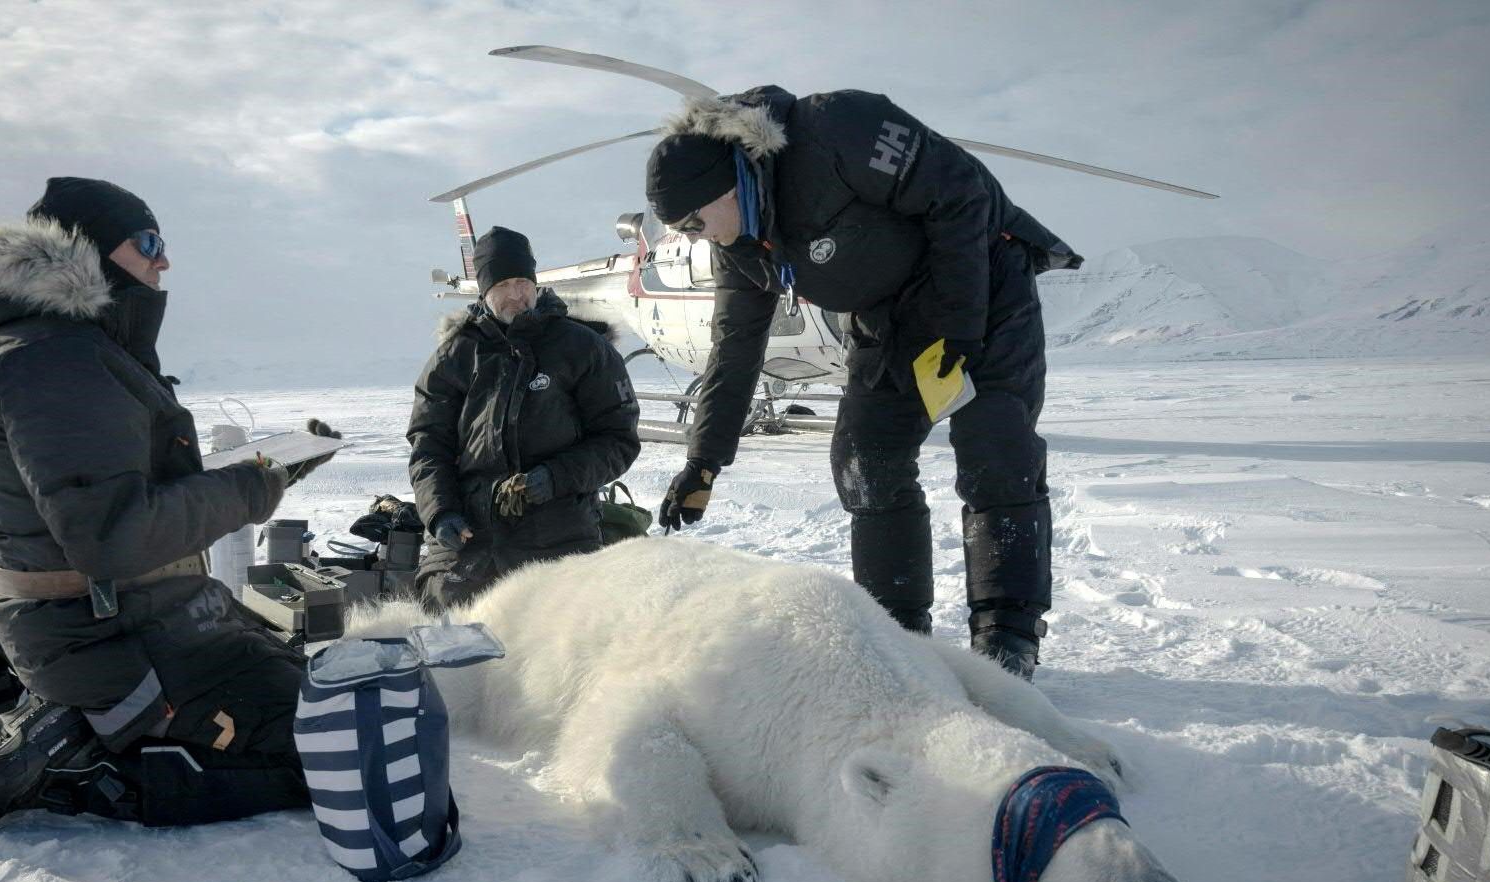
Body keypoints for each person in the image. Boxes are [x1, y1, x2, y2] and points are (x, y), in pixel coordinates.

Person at [643, 87, 1082, 680]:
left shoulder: (837, 129)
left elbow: (960, 194)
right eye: (682, 230)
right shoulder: (742, 247)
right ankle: (897, 631)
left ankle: (1007, 633)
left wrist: (957, 329)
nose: (697, 237)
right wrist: (704, 462)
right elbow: (735, 349)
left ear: (730, 183)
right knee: (863, 458)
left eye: (695, 222)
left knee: (995, 452)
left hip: (983, 287)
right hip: (886, 320)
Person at [0, 177, 333, 834]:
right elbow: (115, 537)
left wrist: (270, 468)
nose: (163, 260)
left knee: (332, 695)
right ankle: (87, 765)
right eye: (147, 242)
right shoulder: (52, 359)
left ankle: (97, 723)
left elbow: (123, 497)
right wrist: (254, 486)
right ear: (87, 252)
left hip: (159, 617)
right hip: (109, 639)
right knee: (323, 752)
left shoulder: (73, 351)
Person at [408, 226, 641, 612]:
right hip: (470, 538)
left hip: (559, 533)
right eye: (504, 285)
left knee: (555, 637)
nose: (517, 295)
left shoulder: (582, 348)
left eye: (523, 282)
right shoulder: (455, 356)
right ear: (485, 291)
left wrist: (553, 478)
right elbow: (428, 445)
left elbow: (618, 440)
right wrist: (440, 511)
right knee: (445, 628)